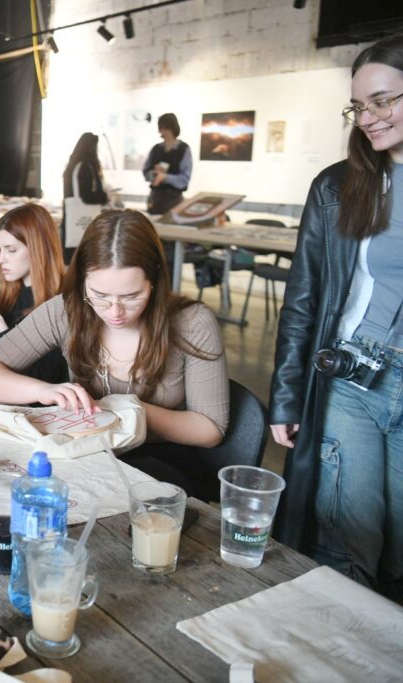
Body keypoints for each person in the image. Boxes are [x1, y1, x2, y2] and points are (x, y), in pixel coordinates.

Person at [0, 210, 228, 497]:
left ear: (154, 279)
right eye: (100, 295)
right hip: (84, 455)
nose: (115, 312)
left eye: (131, 296)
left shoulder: (192, 322)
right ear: (82, 280)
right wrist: (43, 390)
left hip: (160, 466)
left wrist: (126, 409)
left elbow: (210, 429)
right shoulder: (66, 310)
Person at [269, 35, 403, 602]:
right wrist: (286, 396)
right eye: (359, 107)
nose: (368, 118)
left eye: (383, 101)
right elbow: (303, 298)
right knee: (347, 541)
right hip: (353, 379)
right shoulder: (337, 185)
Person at [0, 203, 67, 383]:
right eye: (0, 250)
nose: (1, 259)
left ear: (38, 248)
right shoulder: (10, 295)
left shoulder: (61, 305)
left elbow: (43, 378)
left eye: (11, 250)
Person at [62, 132, 115, 262]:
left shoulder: (72, 166)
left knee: (71, 261)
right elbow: (86, 197)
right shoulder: (86, 167)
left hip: (71, 220)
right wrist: (105, 197)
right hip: (82, 220)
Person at [142, 113, 192, 215]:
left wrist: (165, 177)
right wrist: (154, 174)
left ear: (173, 128)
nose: (162, 132)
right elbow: (146, 171)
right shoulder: (156, 149)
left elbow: (184, 179)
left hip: (174, 200)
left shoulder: (183, 149)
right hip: (155, 198)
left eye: (165, 129)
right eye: (161, 128)